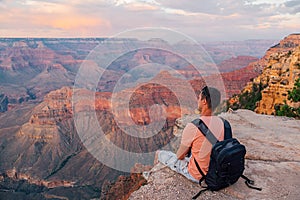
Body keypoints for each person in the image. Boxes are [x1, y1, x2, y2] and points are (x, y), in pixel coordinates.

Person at [156, 86, 225, 182]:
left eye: (199, 98)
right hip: (216, 170)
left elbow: (180, 156)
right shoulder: (221, 122)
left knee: (160, 154)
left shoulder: (194, 126)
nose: (198, 100)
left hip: (198, 175)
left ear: (204, 101)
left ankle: (151, 176)